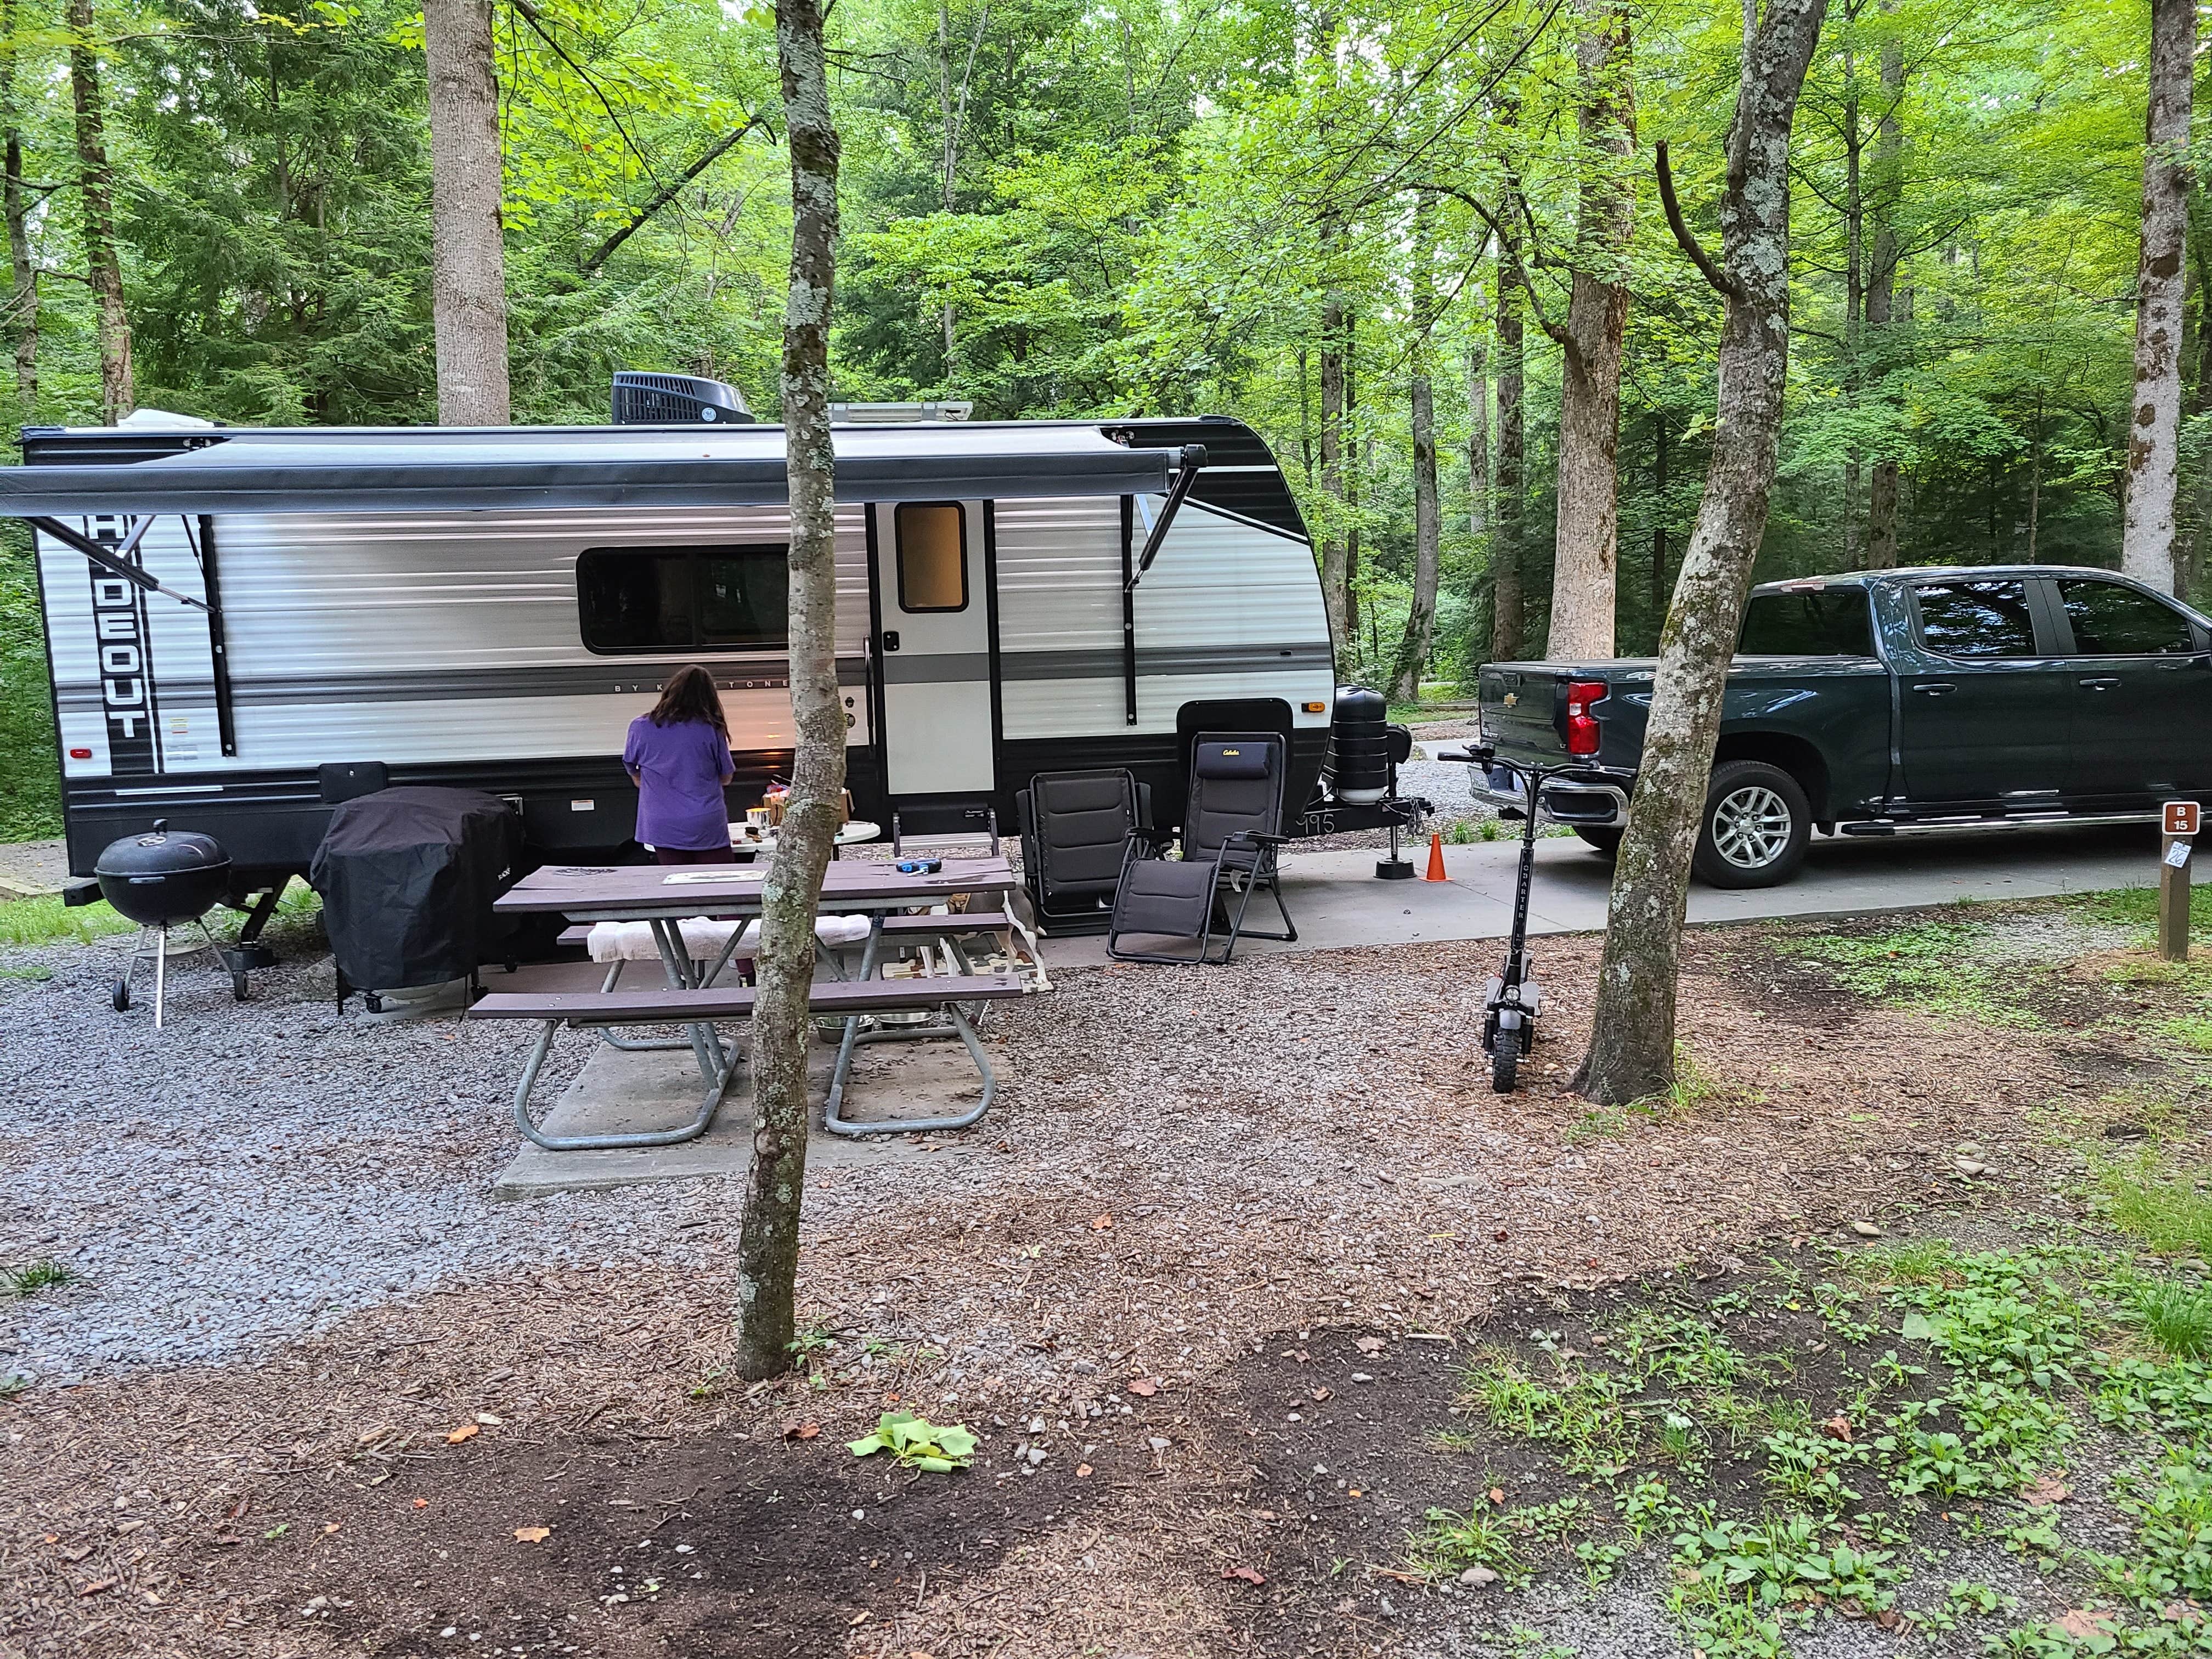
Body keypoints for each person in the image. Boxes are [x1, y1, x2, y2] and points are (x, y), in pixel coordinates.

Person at [624, 666, 736, 865]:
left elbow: (632, 768)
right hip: (705, 821)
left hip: (661, 822)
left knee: (678, 884)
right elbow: (726, 777)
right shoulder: (711, 728)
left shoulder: (640, 727)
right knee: (721, 884)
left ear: (671, 691)